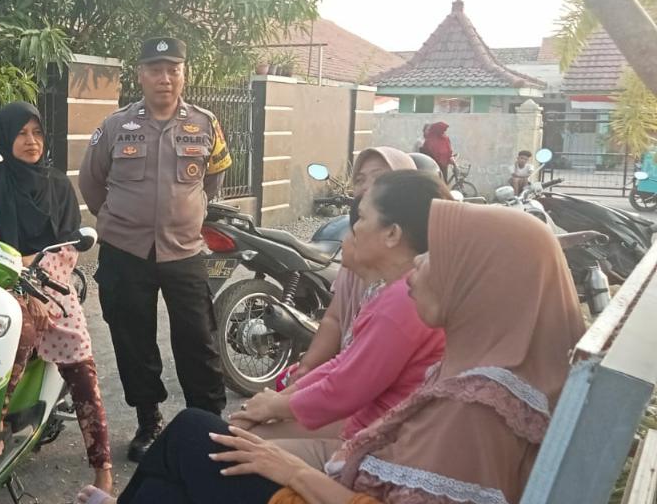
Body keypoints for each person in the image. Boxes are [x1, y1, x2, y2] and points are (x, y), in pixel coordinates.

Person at [77, 196, 585, 504]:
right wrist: (290, 400)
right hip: (346, 465)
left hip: (331, 478)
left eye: (441, 258)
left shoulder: (478, 408)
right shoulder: (477, 370)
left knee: (193, 435)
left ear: (480, 284)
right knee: (189, 460)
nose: (420, 266)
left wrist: (291, 468)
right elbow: (338, 343)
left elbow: (348, 386)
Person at [227, 171, 449, 469]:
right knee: (238, 434)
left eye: (362, 218)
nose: (353, 229)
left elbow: (345, 389)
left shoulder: (404, 300)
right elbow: (343, 364)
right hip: (363, 427)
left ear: (392, 234)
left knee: (229, 443)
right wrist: (280, 400)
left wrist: (276, 405)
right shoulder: (391, 291)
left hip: (377, 447)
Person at [78, 36, 232, 461]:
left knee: (197, 338)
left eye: (173, 69)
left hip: (184, 251)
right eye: (155, 69)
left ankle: (207, 423)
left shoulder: (205, 124)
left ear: (184, 74)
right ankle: (149, 421)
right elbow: (91, 181)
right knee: (134, 340)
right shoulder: (116, 126)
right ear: (141, 75)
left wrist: (190, 211)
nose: (165, 78)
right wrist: (121, 219)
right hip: (126, 252)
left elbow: (214, 177)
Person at [0, 101, 112, 493]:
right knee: (13, 332)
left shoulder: (59, 184)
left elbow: (68, 249)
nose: (31, 141)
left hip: (55, 287)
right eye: (21, 133)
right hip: (4, 286)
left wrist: (38, 283)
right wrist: (21, 284)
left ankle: (102, 467)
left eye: (36, 133)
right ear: (4, 138)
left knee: (83, 368)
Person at [281, 147, 417, 387]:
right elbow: (335, 318)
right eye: (360, 180)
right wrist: (306, 370)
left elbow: (357, 382)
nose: (366, 188)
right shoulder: (359, 258)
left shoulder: (411, 285)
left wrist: (291, 399)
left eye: (379, 177)